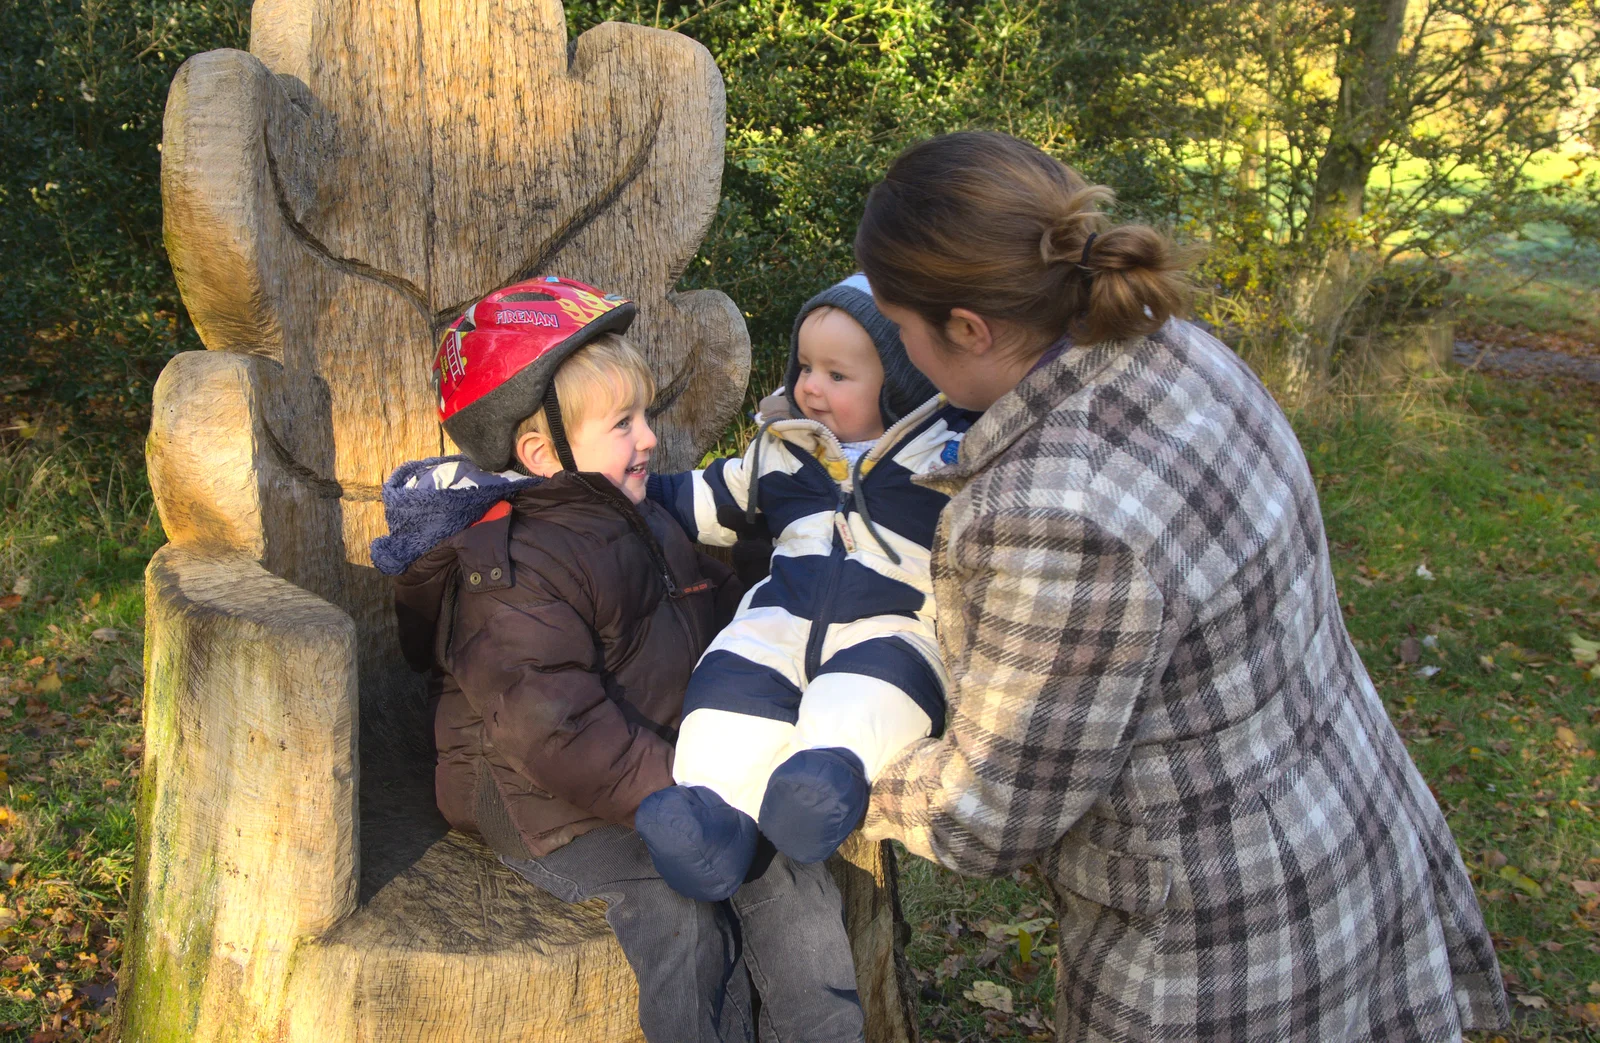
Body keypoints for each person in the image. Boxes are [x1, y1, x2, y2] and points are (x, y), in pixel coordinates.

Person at [851, 132, 1509, 1042]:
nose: (906, 359)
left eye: (905, 330)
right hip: (1341, 805)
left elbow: (987, 812)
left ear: (970, 326)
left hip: (1221, 940)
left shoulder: (1054, 510)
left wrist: (841, 780)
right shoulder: (1170, 347)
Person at [370, 276, 866, 1043]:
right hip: (551, 800)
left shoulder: (648, 515)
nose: (649, 439)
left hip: (675, 770)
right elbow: (553, 728)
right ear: (541, 451)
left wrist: (799, 549)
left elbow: (726, 602)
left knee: (790, 874)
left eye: (646, 416)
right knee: (682, 907)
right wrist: (686, 793)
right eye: (623, 422)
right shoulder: (509, 569)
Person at [635, 274, 970, 902]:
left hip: (891, 626)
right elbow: (709, 499)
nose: (810, 387)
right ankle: (708, 819)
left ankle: (823, 785)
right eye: (805, 367)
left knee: (861, 700)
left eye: (837, 376)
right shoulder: (784, 450)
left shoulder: (945, 460)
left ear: (901, 384)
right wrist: (629, 488)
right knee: (728, 682)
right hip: (781, 613)